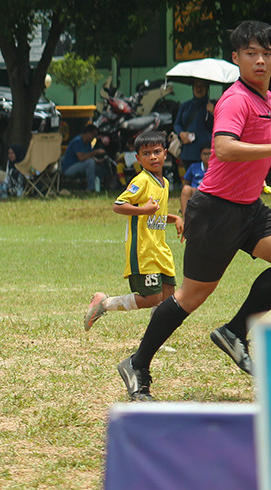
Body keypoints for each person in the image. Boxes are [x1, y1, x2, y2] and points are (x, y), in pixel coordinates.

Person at [118, 20, 271, 401]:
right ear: (236, 58)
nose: (260, 60)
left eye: (267, 53)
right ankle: (138, 363)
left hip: (250, 208)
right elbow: (223, 148)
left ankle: (235, 331)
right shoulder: (237, 99)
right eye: (251, 53)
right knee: (190, 296)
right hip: (216, 211)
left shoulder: (267, 100)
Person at [84, 131, 184, 331]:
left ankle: (153, 341)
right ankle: (104, 303)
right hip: (144, 251)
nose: (153, 157)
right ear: (138, 159)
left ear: (165, 154)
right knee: (152, 298)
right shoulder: (142, 180)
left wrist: (175, 218)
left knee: (167, 297)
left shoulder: (163, 183)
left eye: (157, 152)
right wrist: (143, 209)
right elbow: (118, 205)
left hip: (160, 250)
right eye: (146, 154)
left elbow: (155, 215)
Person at [173, 78, 215, 172]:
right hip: (188, 151)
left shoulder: (213, 105)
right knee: (189, 180)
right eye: (196, 86)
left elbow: (219, 125)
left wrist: (213, 113)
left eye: (202, 86)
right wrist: (181, 133)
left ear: (207, 88)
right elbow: (177, 124)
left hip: (206, 152)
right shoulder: (185, 105)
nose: (199, 89)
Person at [62, 123, 106, 192]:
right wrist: (95, 152)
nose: (94, 138)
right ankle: (91, 188)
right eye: (93, 135)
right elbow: (81, 158)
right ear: (88, 133)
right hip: (69, 168)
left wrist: (98, 161)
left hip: (79, 165)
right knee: (90, 163)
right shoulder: (78, 141)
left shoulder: (87, 143)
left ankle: (101, 186)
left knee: (97, 165)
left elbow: (89, 155)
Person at [180, 145, 211, 214]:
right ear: (200, 155)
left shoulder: (216, 168)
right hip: (194, 192)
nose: (207, 156)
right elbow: (186, 182)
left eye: (209, 154)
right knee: (186, 189)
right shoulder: (194, 166)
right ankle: (185, 220)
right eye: (205, 154)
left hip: (209, 192)